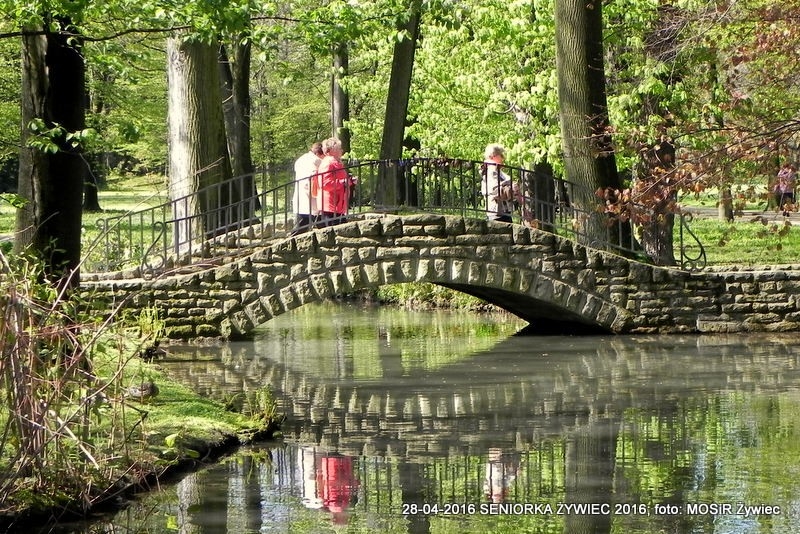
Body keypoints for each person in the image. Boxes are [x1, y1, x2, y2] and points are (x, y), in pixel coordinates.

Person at [313, 138, 353, 226]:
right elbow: (325, 184)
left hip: (338, 205)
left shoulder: (336, 163)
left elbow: (341, 180)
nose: (342, 150)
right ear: (332, 150)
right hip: (331, 205)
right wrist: (343, 182)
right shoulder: (328, 163)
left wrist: (351, 181)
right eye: (339, 148)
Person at [292, 142, 323, 235]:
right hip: (310, 196)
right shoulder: (316, 160)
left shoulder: (300, 159)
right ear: (318, 153)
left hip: (301, 197)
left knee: (302, 224)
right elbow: (313, 178)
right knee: (306, 224)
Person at [481, 143, 516, 223]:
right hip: (496, 211)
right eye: (501, 155)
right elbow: (494, 189)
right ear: (493, 155)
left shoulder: (496, 170)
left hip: (503, 210)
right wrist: (509, 186)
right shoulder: (491, 170)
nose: (503, 158)